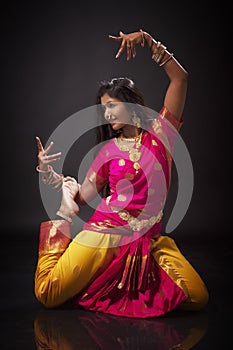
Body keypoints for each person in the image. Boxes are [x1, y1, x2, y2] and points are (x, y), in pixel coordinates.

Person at [34, 29, 209, 318]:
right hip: (105, 235)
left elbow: (181, 78)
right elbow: (82, 195)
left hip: (147, 242)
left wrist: (147, 40)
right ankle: (67, 249)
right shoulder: (106, 152)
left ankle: (103, 281)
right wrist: (49, 174)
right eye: (103, 109)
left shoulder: (160, 135)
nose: (107, 115)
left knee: (196, 296)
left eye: (111, 106)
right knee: (48, 294)